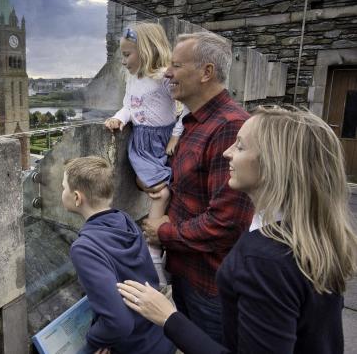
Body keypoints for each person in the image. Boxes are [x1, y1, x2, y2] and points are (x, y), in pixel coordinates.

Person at [118, 106, 357, 353]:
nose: (226, 152)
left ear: (273, 165)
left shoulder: (265, 260)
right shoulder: (313, 232)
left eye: (240, 146)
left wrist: (167, 317)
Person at [141, 31, 254, 342]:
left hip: (210, 286)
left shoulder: (229, 126)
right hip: (188, 273)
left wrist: (162, 232)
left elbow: (227, 223)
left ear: (207, 72)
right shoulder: (196, 122)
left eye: (176, 65)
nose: (167, 73)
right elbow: (196, 191)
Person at [62, 156, 175, 354]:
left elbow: (119, 323)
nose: (62, 192)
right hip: (157, 336)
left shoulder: (84, 248)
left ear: (77, 198)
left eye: (64, 188)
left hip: (133, 346)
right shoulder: (124, 220)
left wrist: (94, 340)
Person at [103, 22, 187, 287]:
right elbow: (128, 106)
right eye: (123, 55)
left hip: (164, 141)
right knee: (160, 192)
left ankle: (161, 252)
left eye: (128, 54)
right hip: (142, 144)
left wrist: (175, 135)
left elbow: (185, 109)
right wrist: (118, 118)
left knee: (171, 191)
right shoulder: (133, 78)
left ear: (147, 50)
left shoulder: (164, 77)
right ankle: (153, 257)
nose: (124, 61)